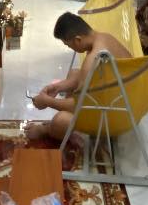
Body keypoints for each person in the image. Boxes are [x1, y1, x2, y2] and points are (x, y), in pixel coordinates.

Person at [26, 12, 131, 142]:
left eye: (68, 45)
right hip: (126, 101)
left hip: (114, 114)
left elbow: (78, 106)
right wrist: (57, 87)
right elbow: (88, 77)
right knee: (75, 73)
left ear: (77, 40)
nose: (71, 48)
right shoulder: (104, 37)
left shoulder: (93, 58)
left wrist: (47, 102)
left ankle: (46, 130)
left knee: (61, 121)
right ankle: (60, 121)